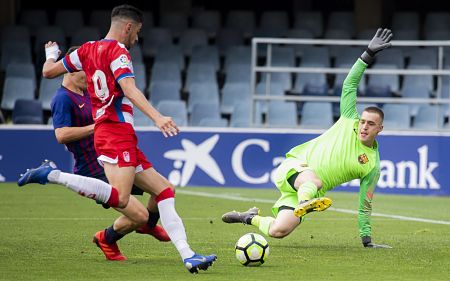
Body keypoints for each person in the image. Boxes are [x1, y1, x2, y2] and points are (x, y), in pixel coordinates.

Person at [18, 4, 216, 273]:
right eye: (138, 32)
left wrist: (51, 55)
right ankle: (52, 175)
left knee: (165, 189)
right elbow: (129, 89)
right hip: (114, 131)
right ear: (128, 27)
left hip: (119, 134)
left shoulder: (85, 50)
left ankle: (188, 254)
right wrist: (157, 117)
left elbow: (48, 72)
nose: (137, 38)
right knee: (122, 198)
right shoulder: (118, 52)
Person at [222, 28, 393, 249]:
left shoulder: (372, 165)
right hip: (296, 167)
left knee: (278, 230)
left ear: (380, 129)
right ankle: (305, 202)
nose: (364, 126)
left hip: (312, 192)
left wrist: (367, 240)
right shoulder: (349, 117)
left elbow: (365, 204)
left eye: (371, 124)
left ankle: (248, 217)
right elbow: (350, 84)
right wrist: (367, 54)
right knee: (313, 181)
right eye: (363, 121)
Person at [50, 46, 170, 242]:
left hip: (112, 155)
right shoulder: (63, 98)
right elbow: (61, 135)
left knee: (163, 190)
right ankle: (105, 239)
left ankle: (148, 226)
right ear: (71, 69)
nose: (88, 72)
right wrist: (97, 126)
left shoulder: (89, 92)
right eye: (84, 68)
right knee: (139, 215)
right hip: (92, 168)